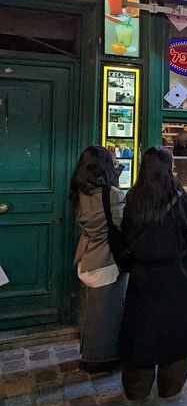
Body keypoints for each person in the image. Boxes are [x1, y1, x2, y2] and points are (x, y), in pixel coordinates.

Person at [119, 147, 187, 400]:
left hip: (142, 278)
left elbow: (126, 235)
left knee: (140, 331)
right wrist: (180, 254)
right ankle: (170, 387)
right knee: (174, 332)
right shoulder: (181, 198)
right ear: (170, 167)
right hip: (176, 276)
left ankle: (137, 389)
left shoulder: (134, 198)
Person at [69, 146, 128, 373]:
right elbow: (121, 225)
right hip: (106, 258)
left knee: (91, 308)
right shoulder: (111, 194)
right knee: (107, 310)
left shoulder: (79, 192)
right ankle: (102, 357)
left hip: (87, 255)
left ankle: (89, 353)